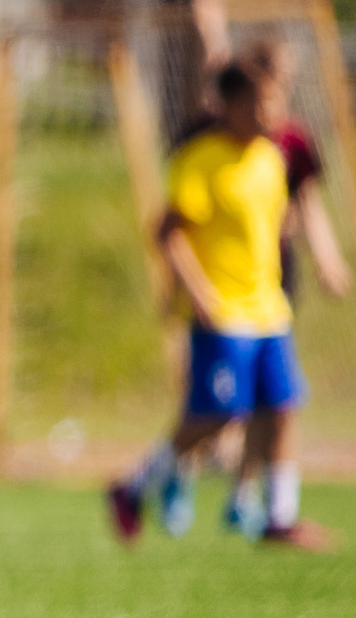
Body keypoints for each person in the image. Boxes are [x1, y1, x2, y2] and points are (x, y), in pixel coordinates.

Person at [110, 64, 336, 552]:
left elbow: (278, 221)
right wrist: (197, 292)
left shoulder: (271, 158)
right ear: (229, 105)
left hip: (269, 308)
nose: (268, 113)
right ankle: (134, 487)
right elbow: (167, 232)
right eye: (257, 104)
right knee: (217, 416)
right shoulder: (201, 158)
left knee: (282, 409)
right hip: (224, 311)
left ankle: (279, 517)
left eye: (273, 103)